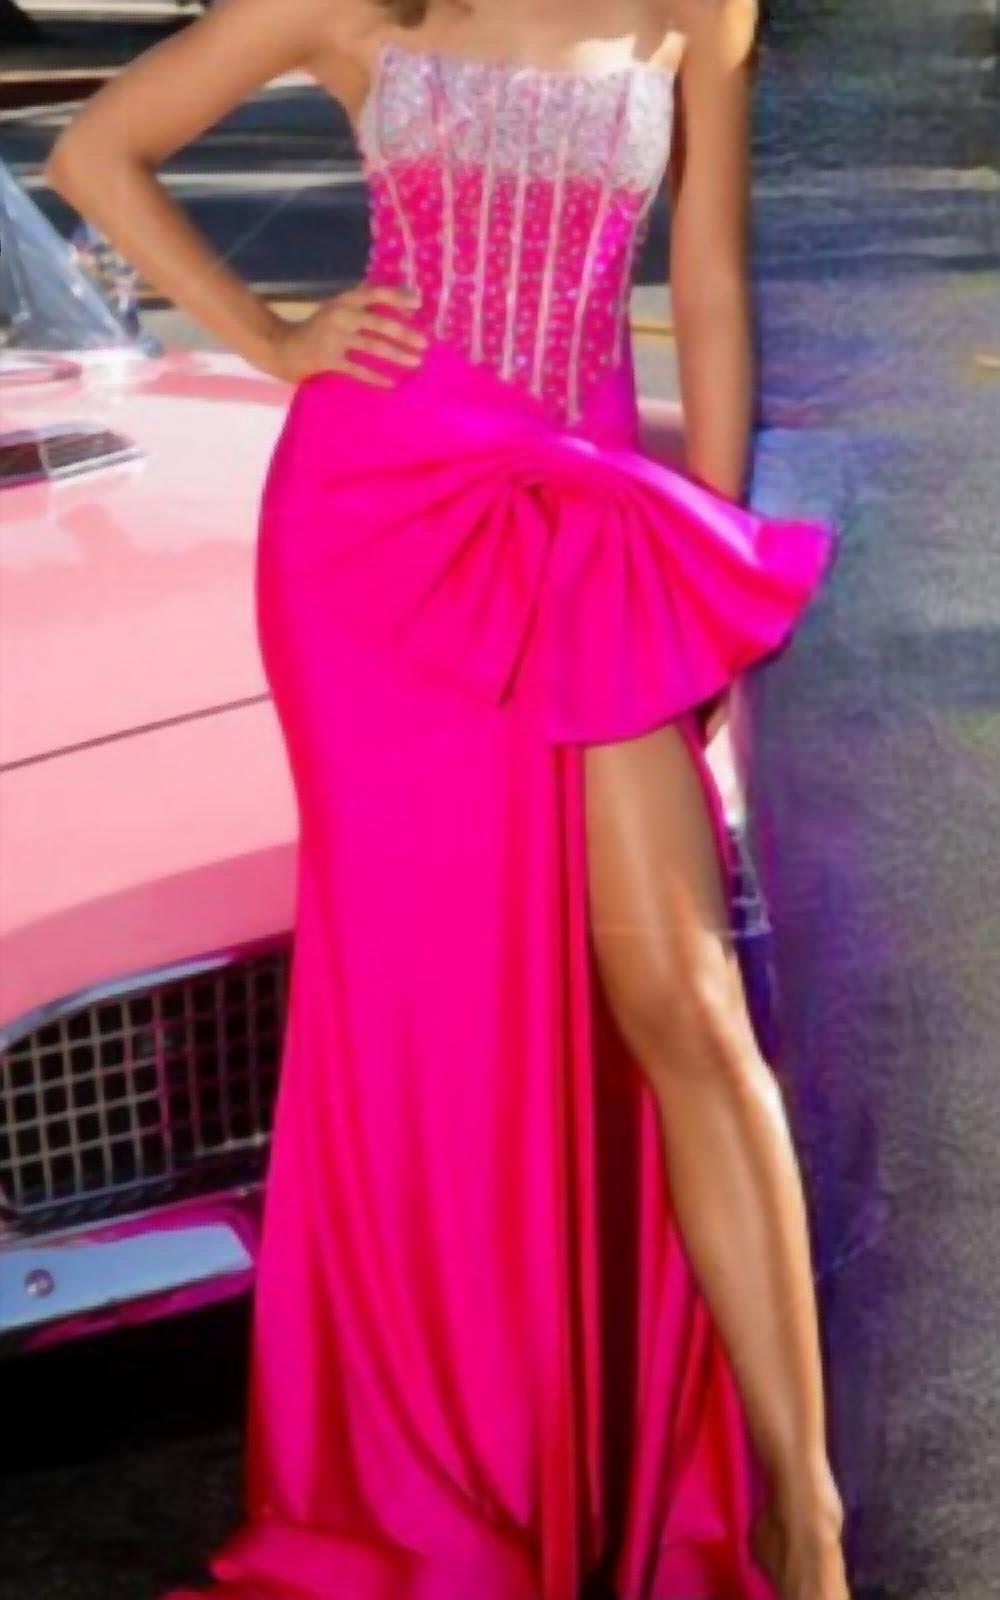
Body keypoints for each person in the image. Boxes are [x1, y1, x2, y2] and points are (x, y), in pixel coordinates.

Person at [46, 2, 849, 1596]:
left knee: (686, 1005)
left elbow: (707, 285)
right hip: (375, 545)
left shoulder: (696, 6)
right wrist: (269, 337)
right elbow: (95, 153)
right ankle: (467, 1486)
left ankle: (796, 1516)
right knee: (441, 1023)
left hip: (590, 530)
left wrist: (705, 575)